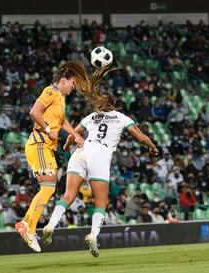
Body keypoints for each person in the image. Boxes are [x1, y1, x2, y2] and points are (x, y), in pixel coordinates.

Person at [41, 66, 159, 257]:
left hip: (81, 153)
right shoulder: (121, 117)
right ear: (114, 105)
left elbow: (73, 136)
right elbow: (141, 136)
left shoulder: (91, 117)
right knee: (100, 203)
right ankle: (93, 235)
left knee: (68, 196)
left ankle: (51, 224)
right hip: (100, 157)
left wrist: (66, 146)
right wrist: (153, 147)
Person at [14, 61, 91, 252]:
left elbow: (62, 121)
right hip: (39, 144)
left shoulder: (59, 98)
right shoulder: (50, 91)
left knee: (49, 187)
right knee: (48, 187)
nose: (73, 87)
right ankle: (27, 226)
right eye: (72, 83)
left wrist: (75, 135)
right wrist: (48, 129)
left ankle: (27, 226)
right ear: (63, 81)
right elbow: (34, 111)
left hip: (46, 147)